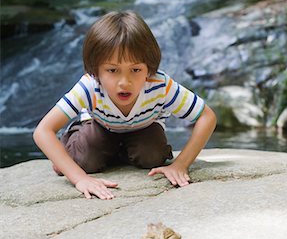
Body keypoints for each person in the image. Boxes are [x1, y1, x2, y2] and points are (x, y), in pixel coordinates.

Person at [33, 11, 217, 200]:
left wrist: (181, 164)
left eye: (135, 70)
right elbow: (43, 131)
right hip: (100, 126)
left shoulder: (160, 85)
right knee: (87, 159)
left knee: (151, 156)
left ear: (149, 69)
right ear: (96, 70)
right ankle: (71, 150)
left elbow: (206, 116)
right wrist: (78, 178)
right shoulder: (90, 86)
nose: (124, 82)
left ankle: (118, 152)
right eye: (112, 70)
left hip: (144, 127)